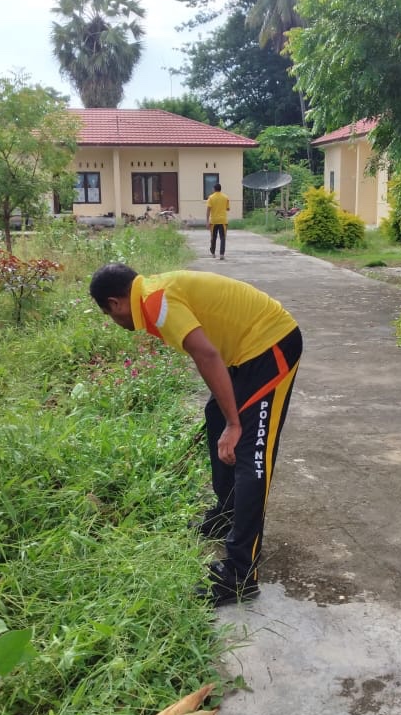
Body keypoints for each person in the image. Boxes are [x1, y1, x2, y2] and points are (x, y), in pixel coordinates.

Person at [89, 263, 303, 607]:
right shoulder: (151, 293)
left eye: (109, 314)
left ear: (115, 303)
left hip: (271, 344)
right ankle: (225, 515)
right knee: (214, 415)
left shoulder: (156, 302)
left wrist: (236, 424)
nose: (116, 323)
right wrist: (226, 418)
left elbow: (206, 354)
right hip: (247, 351)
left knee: (252, 453)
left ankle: (240, 575)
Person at [206, 183, 230, 260]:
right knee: (223, 238)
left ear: (214, 189)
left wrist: (207, 221)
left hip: (213, 221)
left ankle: (213, 253)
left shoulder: (211, 197)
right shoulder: (226, 197)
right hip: (223, 221)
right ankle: (222, 254)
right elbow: (228, 209)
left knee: (213, 237)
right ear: (220, 189)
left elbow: (208, 210)